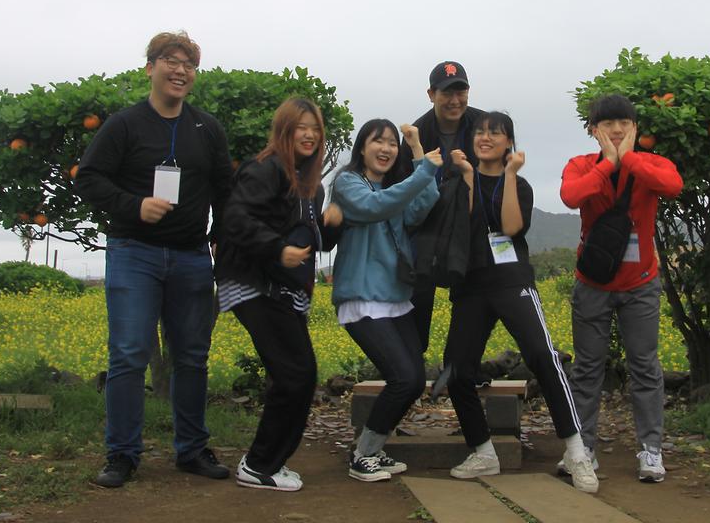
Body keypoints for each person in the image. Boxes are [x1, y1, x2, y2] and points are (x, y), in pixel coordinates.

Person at [76, 31, 233, 488]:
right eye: (171, 61)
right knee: (128, 355)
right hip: (134, 253)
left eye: (189, 64)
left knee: (192, 357)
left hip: (191, 256)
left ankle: (192, 449)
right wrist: (134, 205)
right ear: (150, 68)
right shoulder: (124, 125)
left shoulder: (207, 128)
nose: (181, 71)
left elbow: (225, 190)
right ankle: (122, 455)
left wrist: (221, 237)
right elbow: (89, 178)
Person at [443, 112, 598, 493]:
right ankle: (483, 452)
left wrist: (510, 174)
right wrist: (467, 175)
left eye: (495, 133)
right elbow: (464, 225)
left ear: (509, 142)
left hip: (511, 281)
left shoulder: (521, 184)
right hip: (470, 285)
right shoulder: (458, 179)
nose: (485, 137)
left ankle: (577, 452)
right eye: (480, 132)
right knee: (456, 370)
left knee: (543, 356)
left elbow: (511, 228)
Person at [214, 97, 343, 491]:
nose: (309, 135)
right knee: (295, 374)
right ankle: (259, 464)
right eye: (301, 127)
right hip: (254, 283)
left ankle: (268, 462)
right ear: (285, 129)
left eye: (315, 129)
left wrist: (332, 225)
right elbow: (235, 218)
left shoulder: (310, 185)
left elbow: (311, 241)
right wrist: (276, 248)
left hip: (284, 289)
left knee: (297, 374)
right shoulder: (265, 168)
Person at [560, 93, 683, 483]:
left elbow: (672, 185)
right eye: (608, 124)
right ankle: (583, 449)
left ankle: (651, 449)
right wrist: (609, 164)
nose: (616, 130)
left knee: (645, 366)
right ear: (593, 130)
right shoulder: (580, 165)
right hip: (592, 284)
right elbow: (571, 196)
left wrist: (627, 159)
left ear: (635, 129)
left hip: (641, 283)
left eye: (624, 124)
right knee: (587, 368)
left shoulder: (650, 164)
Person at [331, 120, 442, 482]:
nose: (386, 149)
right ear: (362, 148)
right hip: (362, 298)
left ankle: (371, 448)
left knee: (413, 381)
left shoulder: (391, 190)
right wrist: (423, 170)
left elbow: (421, 205)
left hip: (395, 298)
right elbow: (374, 207)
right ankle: (362, 455)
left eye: (392, 143)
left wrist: (418, 150)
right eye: (377, 141)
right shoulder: (348, 183)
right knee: (403, 377)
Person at [408, 61, 484, 354]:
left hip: (471, 225)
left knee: (470, 297)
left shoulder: (484, 125)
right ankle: (413, 365)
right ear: (431, 94)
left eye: (460, 91)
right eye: (446, 93)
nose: (454, 100)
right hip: (426, 227)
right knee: (419, 294)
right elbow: (403, 188)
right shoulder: (417, 133)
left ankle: (460, 364)